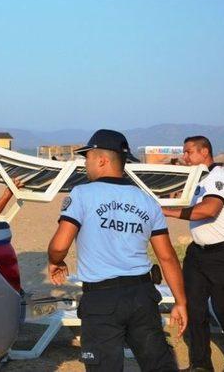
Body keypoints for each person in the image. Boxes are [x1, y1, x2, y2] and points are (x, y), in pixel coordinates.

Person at [47, 129, 187, 371]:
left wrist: (55, 260)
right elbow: (167, 257)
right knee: (159, 365)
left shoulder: (82, 194)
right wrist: (181, 302)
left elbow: (60, 245)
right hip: (143, 296)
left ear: (102, 159)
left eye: (87, 157)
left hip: (102, 299)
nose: (85, 164)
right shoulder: (147, 200)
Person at [162, 136, 224, 371]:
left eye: (189, 152)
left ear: (204, 152)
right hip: (198, 253)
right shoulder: (196, 179)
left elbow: (209, 209)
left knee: (222, 308)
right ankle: (200, 364)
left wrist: (168, 213)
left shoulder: (218, 177)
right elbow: (174, 196)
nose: (185, 157)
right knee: (194, 307)